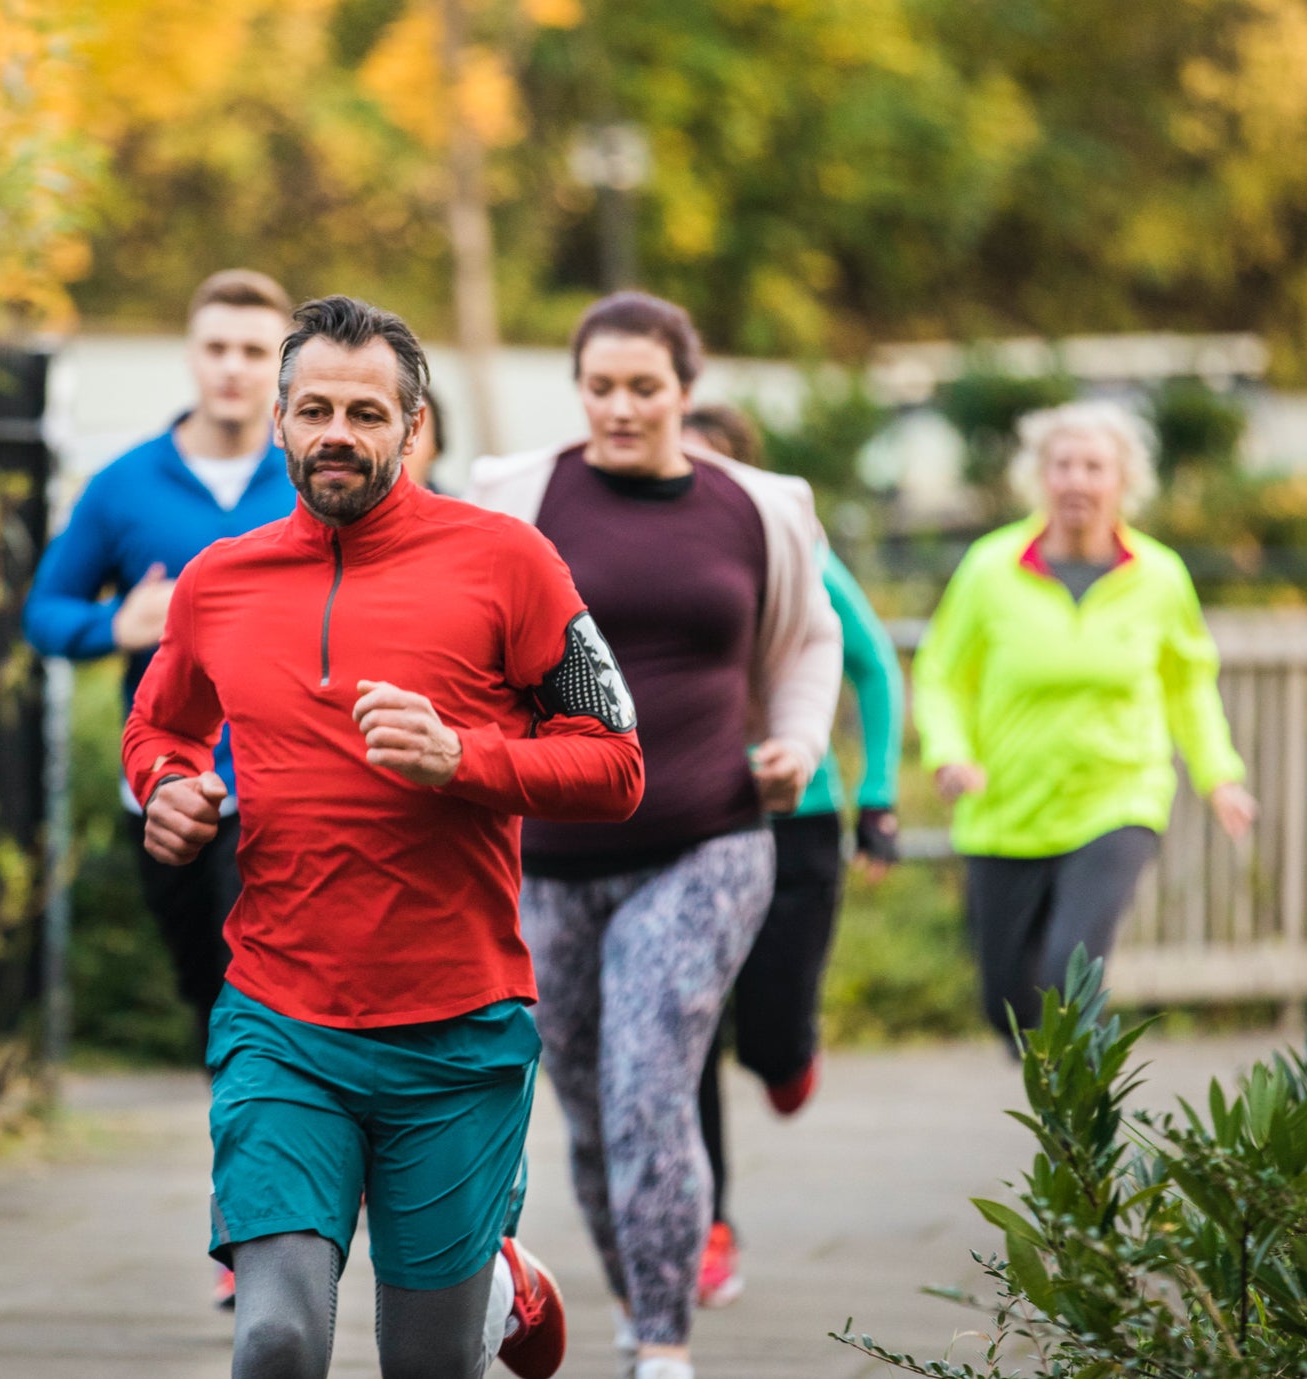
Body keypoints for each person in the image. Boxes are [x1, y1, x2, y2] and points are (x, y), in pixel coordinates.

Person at [123, 295, 645, 1379]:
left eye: (366, 412)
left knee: (427, 1363)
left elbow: (616, 763)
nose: (336, 434)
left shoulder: (511, 560)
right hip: (281, 1016)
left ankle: (494, 1283)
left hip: (457, 1031)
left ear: (411, 428)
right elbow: (163, 724)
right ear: (277, 421)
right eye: (313, 408)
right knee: (273, 1337)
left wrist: (465, 758)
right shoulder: (219, 580)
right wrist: (166, 784)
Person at [466, 293, 841, 1379]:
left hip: (706, 838)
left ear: (687, 385)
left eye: (643, 387)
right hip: (549, 855)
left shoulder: (758, 506)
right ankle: (643, 1292)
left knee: (648, 1084)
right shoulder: (517, 494)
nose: (619, 408)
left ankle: (663, 1343)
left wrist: (799, 739)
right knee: (584, 1104)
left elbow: (810, 640)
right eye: (598, 387)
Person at [914, 399, 1256, 1040]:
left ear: (1124, 480)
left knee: (1068, 972)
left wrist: (1219, 776)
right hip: (1004, 807)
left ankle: (1085, 1136)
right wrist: (949, 751)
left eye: (1094, 466)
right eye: (1062, 465)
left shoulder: (1159, 577)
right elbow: (941, 675)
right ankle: (1067, 1112)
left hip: (1117, 798)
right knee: (1007, 1005)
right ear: (1039, 478)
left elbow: (1188, 687)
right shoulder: (990, 569)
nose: (1077, 480)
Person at [24, 269, 296, 1072]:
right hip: (169, 780)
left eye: (255, 350)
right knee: (205, 984)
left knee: (260, 998)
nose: (234, 368)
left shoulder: (311, 478)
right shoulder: (123, 485)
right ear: (190, 355)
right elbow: (44, 613)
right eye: (217, 347)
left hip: (287, 781)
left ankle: (272, 1163)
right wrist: (119, 623)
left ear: (283, 363)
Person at [679, 404, 904, 1308]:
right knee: (685, 1029)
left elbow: (875, 665)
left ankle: (787, 1054)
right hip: (686, 819)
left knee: (768, 1036)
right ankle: (708, 1226)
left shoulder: (793, 545)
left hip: (796, 820)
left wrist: (879, 796)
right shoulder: (633, 550)